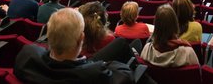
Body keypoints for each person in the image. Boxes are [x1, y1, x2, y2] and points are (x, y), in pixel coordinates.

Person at [14, 8, 152, 84]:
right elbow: (126, 76)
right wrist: (103, 64)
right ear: (82, 38)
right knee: (123, 44)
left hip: (69, 66)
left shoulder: (27, 55)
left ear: (48, 34)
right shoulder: (95, 72)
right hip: (82, 69)